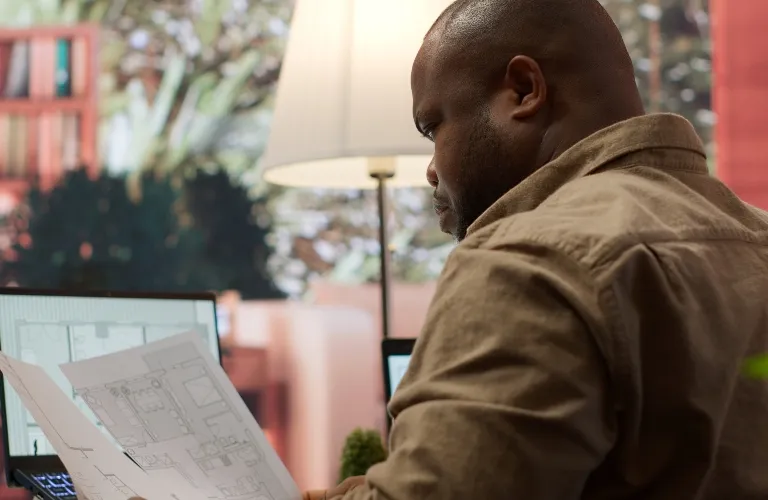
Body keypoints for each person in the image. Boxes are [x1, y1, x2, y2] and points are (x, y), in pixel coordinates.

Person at [121, 0, 768, 499]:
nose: (431, 168)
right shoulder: (754, 238)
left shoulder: (530, 259)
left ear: (523, 90)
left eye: (434, 127)